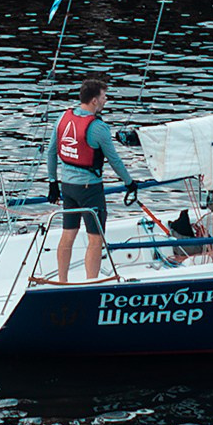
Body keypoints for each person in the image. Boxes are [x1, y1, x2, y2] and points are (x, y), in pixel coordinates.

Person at [42, 73, 135, 283]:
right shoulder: (99, 128)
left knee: (68, 233)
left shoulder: (63, 118)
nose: (105, 101)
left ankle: (62, 281)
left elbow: (50, 152)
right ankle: (91, 282)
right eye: (104, 97)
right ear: (94, 100)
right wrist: (129, 183)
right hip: (89, 190)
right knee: (95, 239)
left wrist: (52, 183)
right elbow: (115, 161)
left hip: (67, 187)